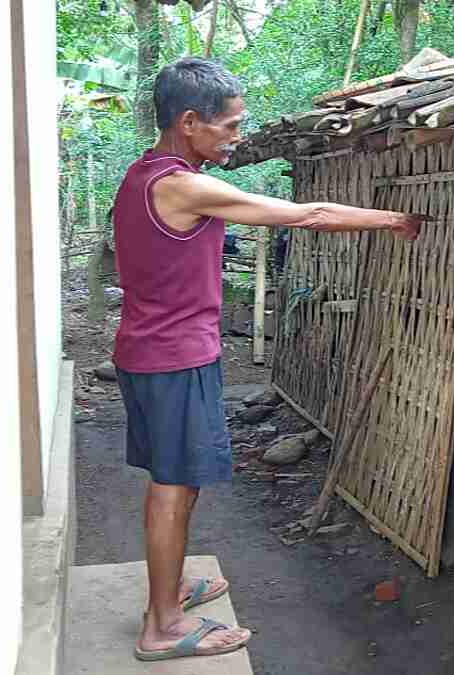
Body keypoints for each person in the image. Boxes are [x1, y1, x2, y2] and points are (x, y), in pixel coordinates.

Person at [111, 57, 423, 662]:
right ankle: (164, 626)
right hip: (175, 360)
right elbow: (312, 214)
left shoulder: (143, 174)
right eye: (229, 127)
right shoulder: (184, 185)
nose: (236, 137)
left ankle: (168, 590)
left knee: (178, 479)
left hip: (149, 351)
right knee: (174, 487)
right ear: (190, 121)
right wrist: (395, 219)